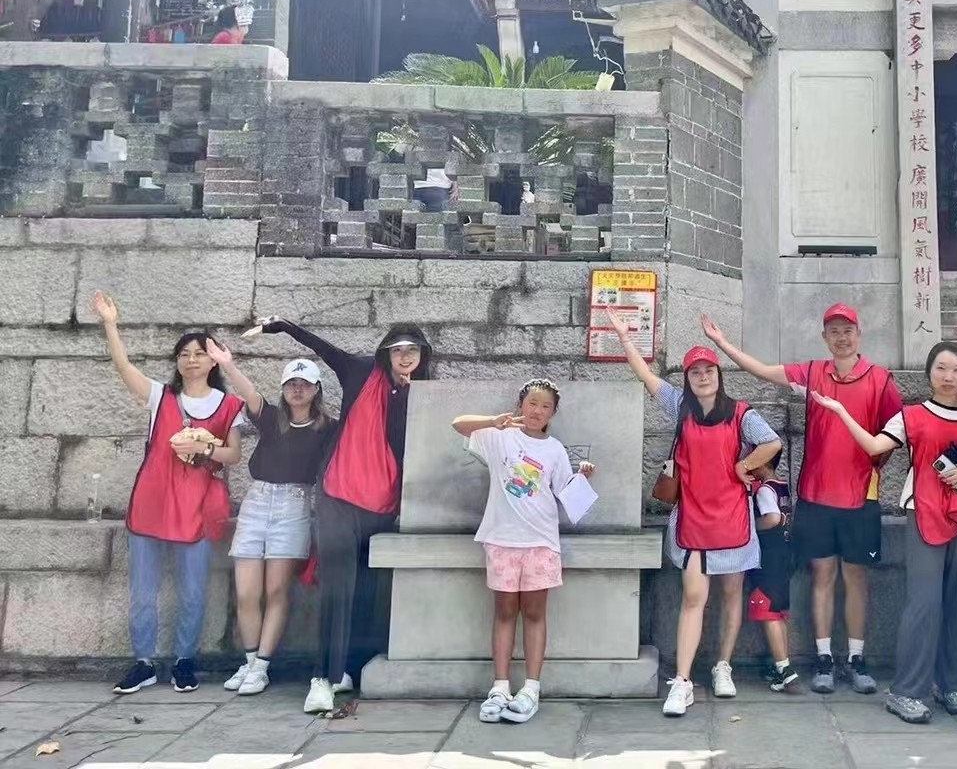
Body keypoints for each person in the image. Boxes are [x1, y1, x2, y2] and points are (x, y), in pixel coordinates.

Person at [701, 304, 900, 694]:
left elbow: (893, 435)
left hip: (861, 494)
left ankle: (856, 659)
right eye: (834, 331)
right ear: (824, 337)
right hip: (816, 494)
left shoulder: (880, 380)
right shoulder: (811, 374)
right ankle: (824, 659)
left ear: (859, 334)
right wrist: (722, 342)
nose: (841, 338)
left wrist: (869, 467)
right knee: (822, 575)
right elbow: (762, 370)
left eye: (848, 330)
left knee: (856, 577)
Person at [244, 316, 433, 714]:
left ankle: (346, 669)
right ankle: (322, 678)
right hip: (339, 494)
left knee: (366, 590)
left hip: (382, 504)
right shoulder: (360, 371)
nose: (404, 357)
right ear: (386, 353)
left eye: (412, 350)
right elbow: (322, 347)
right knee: (337, 588)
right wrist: (283, 326)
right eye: (397, 349)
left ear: (422, 356)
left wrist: (406, 396)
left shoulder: (423, 392)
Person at [608, 309, 783, 717]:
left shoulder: (741, 413)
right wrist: (625, 338)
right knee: (693, 597)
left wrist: (743, 465)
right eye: (695, 372)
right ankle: (683, 681)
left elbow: (772, 443)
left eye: (709, 370)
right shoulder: (680, 407)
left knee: (732, 593)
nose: (703, 376)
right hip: (693, 517)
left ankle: (723, 666)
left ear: (719, 374)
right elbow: (646, 376)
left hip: (734, 518)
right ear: (687, 378)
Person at [814, 341, 957, 724]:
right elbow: (874, 445)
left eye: (956, 370)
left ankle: (954, 684)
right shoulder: (910, 416)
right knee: (924, 602)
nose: (948, 377)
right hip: (923, 511)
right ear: (929, 373)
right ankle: (907, 691)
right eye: (941, 368)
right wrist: (841, 411)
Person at [94, 293, 245, 695]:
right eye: (184, 354)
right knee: (143, 591)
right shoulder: (161, 397)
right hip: (152, 502)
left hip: (196, 508)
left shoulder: (230, 405)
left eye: (199, 353)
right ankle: (143, 662)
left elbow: (233, 454)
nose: (191, 360)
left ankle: (184, 660)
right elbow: (124, 366)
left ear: (213, 361)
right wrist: (110, 323)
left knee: (193, 591)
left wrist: (203, 448)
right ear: (177, 361)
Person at [452, 379, 597, 724]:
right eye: (532, 403)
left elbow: (566, 494)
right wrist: (493, 421)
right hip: (501, 539)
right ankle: (500, 687)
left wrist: (583, 477)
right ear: (521, 404)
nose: (537, 411)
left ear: (553, 413)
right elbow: (458, 424)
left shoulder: (555, 450)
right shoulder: (499, 437)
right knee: (504, 611)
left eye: (545, 406)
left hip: (540, 541)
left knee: (534, 613)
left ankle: (531, 688)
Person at [211, 352, 333, 697]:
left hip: (295, 504)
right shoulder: (271, 417)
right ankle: (249, 662)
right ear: (283, 388)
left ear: (316, 389)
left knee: (276, 591)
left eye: (305, 383)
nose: (298, 389)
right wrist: (227, 364)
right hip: (258, 500)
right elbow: (249, 393)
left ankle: (261, 666)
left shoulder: (328, 427)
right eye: (291, 383)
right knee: (246, 592)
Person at [748, 452, 798, 693]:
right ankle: (782, 665)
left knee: (767, 610)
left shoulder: (765, 490)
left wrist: (750, 527)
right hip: (785, 555)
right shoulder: (782, 487)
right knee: (778, 612)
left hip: (768, 558)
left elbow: (773, 518)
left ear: (766, 462)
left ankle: (784, 668)